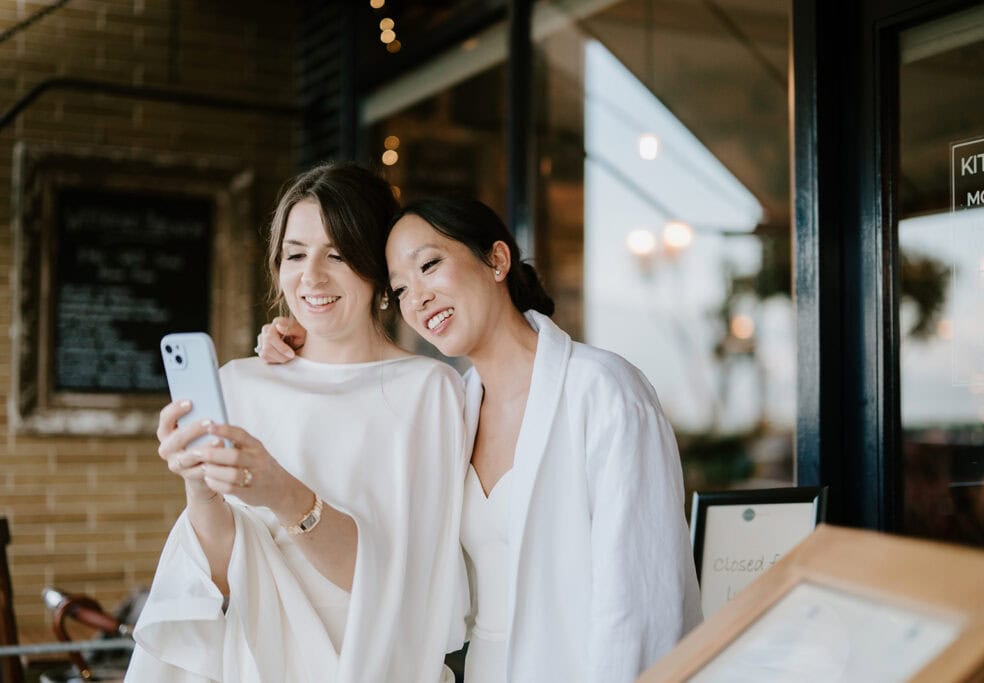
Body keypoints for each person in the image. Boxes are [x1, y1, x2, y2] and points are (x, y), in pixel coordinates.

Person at [259, 195, 703, 682]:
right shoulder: (454, 407)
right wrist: (307, 348)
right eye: (401, 289)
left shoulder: (604, 390)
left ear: (496, 259)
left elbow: (642, 601)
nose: (419, 298)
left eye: (430, 265)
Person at [127, 164, 468, 683]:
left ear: (378, 270)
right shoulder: (238, 382)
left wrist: (282, 493)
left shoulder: (428, 391)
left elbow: (405, 585)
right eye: (295, 254)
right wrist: (200, 487)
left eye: (336, 254)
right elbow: (219, 578)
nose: (312, 276)